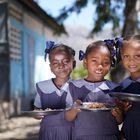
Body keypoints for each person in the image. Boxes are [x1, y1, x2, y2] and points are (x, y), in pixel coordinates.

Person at [65, 40, 123, 140]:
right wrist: (74, 110)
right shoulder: (73, 87)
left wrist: (118, 115)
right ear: (85, 62)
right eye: (94, 61)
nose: (100, 66)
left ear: (110, 64)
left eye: (106, 62)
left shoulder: (115, 88)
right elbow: (68, 118)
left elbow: (119, 121)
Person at [33, 41, 76, 140]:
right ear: (51, 67)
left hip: (72, 132)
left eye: (66, 61)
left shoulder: (79, 86)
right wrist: (37, 114)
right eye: (55, 63)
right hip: (48, 133)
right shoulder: (42, 87)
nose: (61, 66)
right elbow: (37, 110)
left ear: (73, 64)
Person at [117, 35, 140, 140]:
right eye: (126, 56)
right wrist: (123, 111)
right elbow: (122, 119)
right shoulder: (123, 86)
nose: (131, 61)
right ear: (121, 57)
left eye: (137, 56)